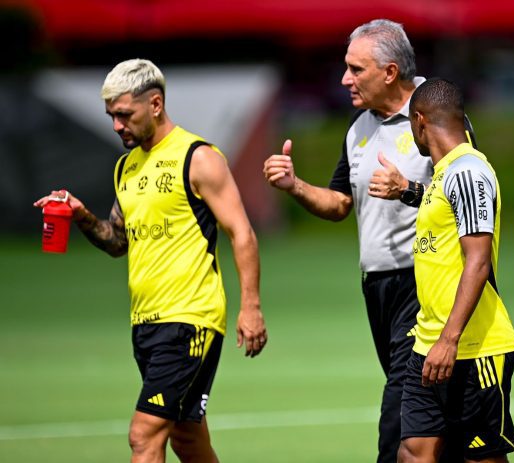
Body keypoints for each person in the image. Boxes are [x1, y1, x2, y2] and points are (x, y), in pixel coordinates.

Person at [34, 59, 268, 463]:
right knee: (188, 439)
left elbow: (242, 233)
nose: (116, 126)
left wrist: (251, 306)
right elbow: (117, 241)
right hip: (145, 323)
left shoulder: (198, 158)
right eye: (111, 116)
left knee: (143, 436)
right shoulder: (126, 166)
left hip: (190, 318)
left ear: (155, 104)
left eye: (124, 114)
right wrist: (82, 216)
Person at [263, 19, 433, 463]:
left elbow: (469, 194)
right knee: (432, 419)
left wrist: (408, 190)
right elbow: (340, 203)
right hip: (377, 288)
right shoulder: (358, 127)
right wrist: (296, 185)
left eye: (356, 69)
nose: (344, 79)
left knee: (399, 422)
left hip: (427, 284)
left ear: (391, 72)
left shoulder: (436, 112)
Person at [397, 78, 514, 463]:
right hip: (426, 343)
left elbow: (478, 261)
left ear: (420, 121)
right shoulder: (443, 174)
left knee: (480, 458)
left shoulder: (468, 171)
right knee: (413, 453)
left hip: (473, 348)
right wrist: (406, 190)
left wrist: (449, 341)